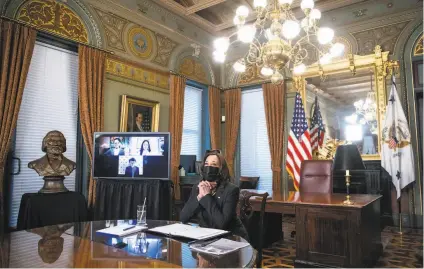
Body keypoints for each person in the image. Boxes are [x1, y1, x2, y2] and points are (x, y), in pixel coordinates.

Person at [180, 149, 248, 240]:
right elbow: (183, 217)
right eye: (206, 164)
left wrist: (207, 196)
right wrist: (199, 196)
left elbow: (221, 224)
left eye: (214, 164)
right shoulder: (198, 187)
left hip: (231, 238)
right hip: (207, 237)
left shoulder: (231, 190)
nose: (209, 167)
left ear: (220, 169)